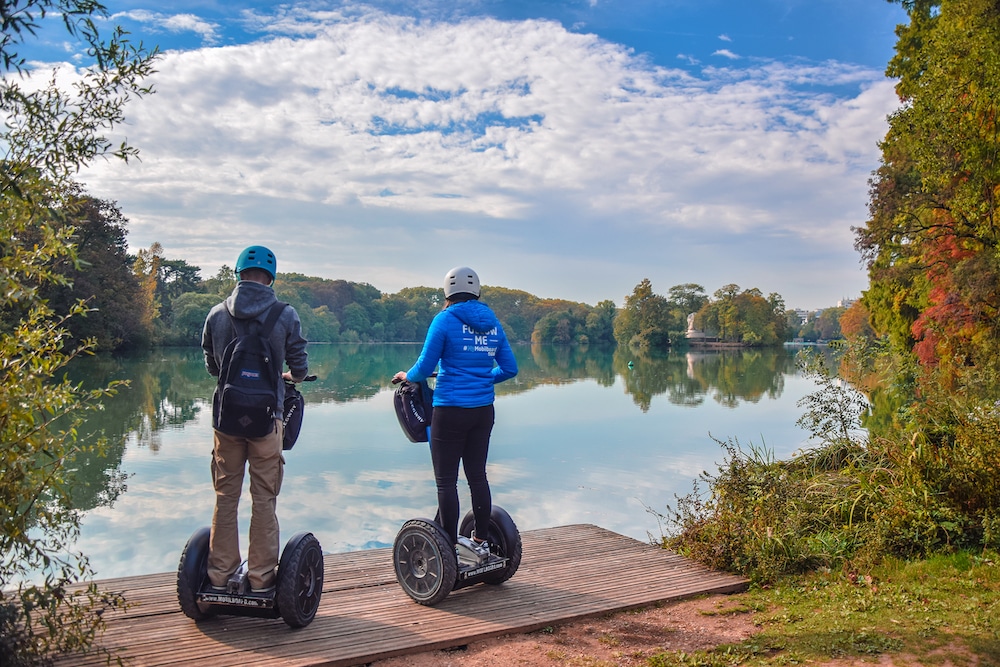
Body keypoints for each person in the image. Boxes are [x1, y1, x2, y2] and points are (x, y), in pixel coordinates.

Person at [201, 245, 309, 593]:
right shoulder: (285, 314)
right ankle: (261, 579)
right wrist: (289, 376)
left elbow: (213, 366)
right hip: (267, 420)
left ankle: (219, 576)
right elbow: (300, 365)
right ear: (271, 277)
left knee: (225, 495)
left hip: (226, 420)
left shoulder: (217, 314)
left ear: (238, 273)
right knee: (264, 498)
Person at [393, 266, 518, 553]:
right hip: (483, 411)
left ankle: (447, 548)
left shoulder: (444, 320)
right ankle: (480, 540)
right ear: (477, 291)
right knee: (477, 477)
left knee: (446, 482)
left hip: (450, 411)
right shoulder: (493, 323)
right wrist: (483, 377)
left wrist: (406, 377)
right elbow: (510, 368)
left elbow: (425, 367)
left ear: (447, 292)